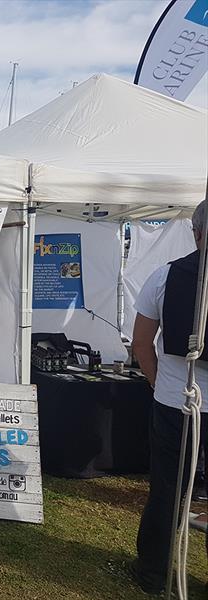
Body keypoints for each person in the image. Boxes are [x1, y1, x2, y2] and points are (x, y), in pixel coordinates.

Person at [131, 199, 208, 595]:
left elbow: (141, 343)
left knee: (166, 490)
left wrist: (159, 382)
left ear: (195, 232)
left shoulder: (164, 276)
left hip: (176, 401)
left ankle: (152, 573)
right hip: (180, 399)